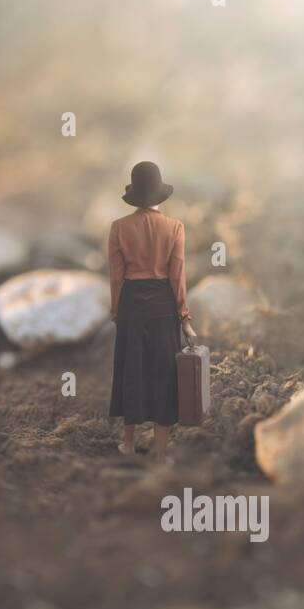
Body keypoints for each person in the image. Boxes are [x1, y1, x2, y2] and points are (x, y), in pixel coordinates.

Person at [107, 161, 197, 463]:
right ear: (159, 193)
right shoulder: (175, 228)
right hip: (163, 304)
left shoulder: (118, 228)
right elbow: (178, 275)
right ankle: (160, 452)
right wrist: (184, 317)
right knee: (164, 373)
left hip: (131, 303)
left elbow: (116, 276)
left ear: (134, 194)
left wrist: (117, 310)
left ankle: (128, 444)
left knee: (130, 369)